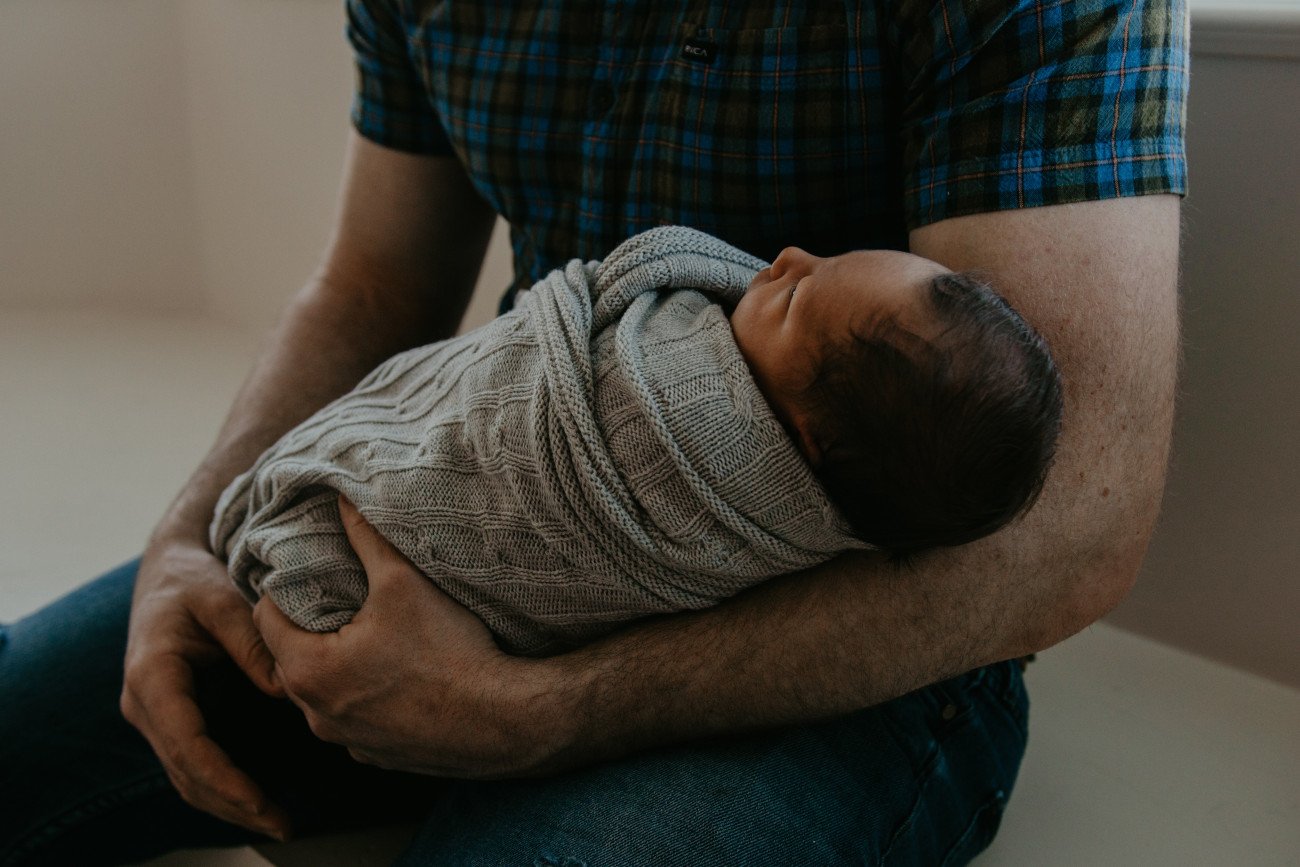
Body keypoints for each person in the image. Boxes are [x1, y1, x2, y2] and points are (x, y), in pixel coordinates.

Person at [0, 0, 1187, 863]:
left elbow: (1074, 519)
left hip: (834, 647)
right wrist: (186, 543)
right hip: (468, 505)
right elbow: (371, 292)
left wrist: (544, 712)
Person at [212, 226, 1062, 654]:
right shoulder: (848, 488)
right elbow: (371, 283)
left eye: (798, 299)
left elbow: (536, 448)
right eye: (818, 262)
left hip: (399, 543)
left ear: (800, 441)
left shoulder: (676, 414)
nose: (788, 257)